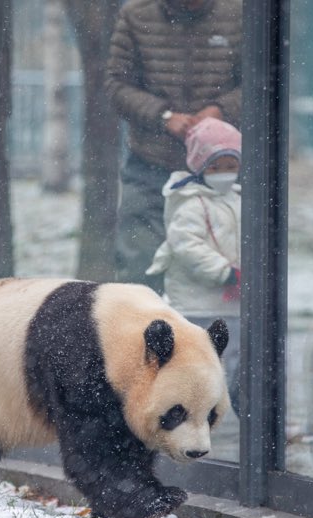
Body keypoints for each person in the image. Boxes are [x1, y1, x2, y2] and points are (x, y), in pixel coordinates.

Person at [106, 0, 242, 292]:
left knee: (223, 268)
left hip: (223, 168)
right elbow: (117, 86)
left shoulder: (239, 14)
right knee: (139, 266)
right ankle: (142, 331)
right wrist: (163, 116)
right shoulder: (136, 15)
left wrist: (220, 112)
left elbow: (260, 82)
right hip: (151, 163)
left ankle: (212, 336)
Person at [146, 117, 242, 410]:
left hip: (230, 303)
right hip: (195, 305)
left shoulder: (238, 200)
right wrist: (225, 272)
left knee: (233, 359)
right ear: (200, 166)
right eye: (216, 167)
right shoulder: (190, 203)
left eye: (231, 166)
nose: (224, 174)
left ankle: (231, 402)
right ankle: (187, 405)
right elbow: (187, 246)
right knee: (193, 361)